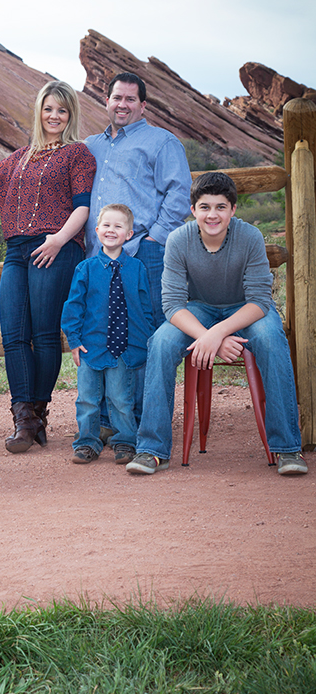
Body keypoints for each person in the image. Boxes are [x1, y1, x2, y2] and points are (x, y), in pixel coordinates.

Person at [127, 171, 308, 477]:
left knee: (271, 339)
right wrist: (208, 336)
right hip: (199, 311)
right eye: (205, 207)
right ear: (193, 209)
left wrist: (218, 334)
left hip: (247, 310)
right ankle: (152, 450)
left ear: (233, 209)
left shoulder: (249, 237)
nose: (213, 215)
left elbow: (260, 301)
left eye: (221, 207)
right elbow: (172, 306)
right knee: (160, 342)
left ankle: (288, 448)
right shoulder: (178, 240)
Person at [0, 81, 96, 453]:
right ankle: (24, 417)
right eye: (48, 109)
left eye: (62, 110)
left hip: (55, 246)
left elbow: (83, 206)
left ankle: (34, 416)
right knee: (13, 333)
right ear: (39, 112)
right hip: (16, 251)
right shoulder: (21, 156)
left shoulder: (79, 154)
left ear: (70, 115)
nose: (54, 116)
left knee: (43, 334)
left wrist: (58, 240)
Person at [84, 71, 192, 438]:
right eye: (117, 97)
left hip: (142, 254)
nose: (123, 104)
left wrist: (153, 240)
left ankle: (144, 421)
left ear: (143, 105)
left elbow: (179, 193)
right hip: (98, 259)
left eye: (131, 99)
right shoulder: (90, 145)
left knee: (144, 337)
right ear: (107, 99)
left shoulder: (161, 142)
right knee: (99, 333)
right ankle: (103, 421)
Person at [61, 204, 154, 464]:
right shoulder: (86, 269)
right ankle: (87, 443)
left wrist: (144, 342)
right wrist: (75, 341)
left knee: (121, 398)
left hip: (124, 347)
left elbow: (145, 308)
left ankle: (125, 441)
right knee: (88, 399)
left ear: (129, 233)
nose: (111, 230)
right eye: (106, 225)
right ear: (97, 230)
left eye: (118, 226)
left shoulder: (137, 268)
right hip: (91, 347)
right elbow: (73, 307)